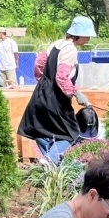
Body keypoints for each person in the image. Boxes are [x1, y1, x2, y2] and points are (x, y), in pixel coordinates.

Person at [18, 16, 95, 164]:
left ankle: (52, 162)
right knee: (71, 132)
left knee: (40, 129)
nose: (89, 38)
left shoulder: (57, 44)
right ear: (78, 34)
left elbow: (39, 64)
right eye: (87, 35)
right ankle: (50, 158)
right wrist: (77, 94)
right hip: (56, 98)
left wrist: (44, 82)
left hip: (41, 93)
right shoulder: (71, 50)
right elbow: (61, 76)